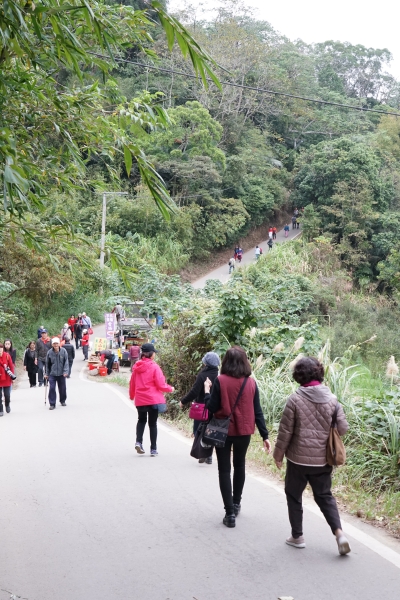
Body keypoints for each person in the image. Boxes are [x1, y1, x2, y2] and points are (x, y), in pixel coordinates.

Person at [273, 356, 350, 555]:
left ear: (299, 375)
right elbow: (342, 428)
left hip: (297, 460)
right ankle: (339, 533)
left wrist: (278, 454)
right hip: (323, 460)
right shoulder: (333, 400)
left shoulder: (295, 399)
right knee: (324, 496)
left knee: (293, 495)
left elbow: (285, 432)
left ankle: (297, 536)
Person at [204, 346, 271, 528]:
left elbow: (210, 407)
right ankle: (236, 502)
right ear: (244, 362)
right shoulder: (251, 383)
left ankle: (229, 514)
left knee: (224, 470)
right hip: (244, 431)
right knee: (240, 465)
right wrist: (265, 435)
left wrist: (207, 392)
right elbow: (258, 411)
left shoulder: (220, 381)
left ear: (226, 361)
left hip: (222, 431)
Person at [129, 343, 174, 456]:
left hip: (140, 399)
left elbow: (132, 383)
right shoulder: (154, 367)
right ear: (151, 354)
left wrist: (131, 396)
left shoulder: (136, 367)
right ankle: (153, 449)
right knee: (152, 424)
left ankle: (138, 442)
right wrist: (170, 389)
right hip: (153, 399)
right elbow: (160, 384)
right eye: (154, 352)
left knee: (141, 420)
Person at [180, 352, 220, 465]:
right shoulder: (219, 376)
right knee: (211, 431)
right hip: (214, 408)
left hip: (201, 408)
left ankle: (202, 453)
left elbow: (194, 392)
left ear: (205, 363)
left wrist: (183, 401)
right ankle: (209, 456)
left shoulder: (202, 375)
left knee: (198, 431)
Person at [45, 338, 69, 410]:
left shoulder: (64, 351)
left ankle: (62, 400)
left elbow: (66, 362)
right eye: (54, 344)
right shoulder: (49, 352)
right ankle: (52, 404)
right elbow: (47, 364)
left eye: (57, 343)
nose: (55, 345)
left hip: (61, 373)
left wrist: (65, 372)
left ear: (59, 344)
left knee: (62, 388)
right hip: (52, 373)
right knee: (52, 388)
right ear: (52, 344)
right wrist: (46, 373)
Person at [0, 343, 15, 415]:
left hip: (6, 378)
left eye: (1, 348)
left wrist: (12, 376)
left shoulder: (7, 356)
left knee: (7, 395)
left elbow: (11, 366)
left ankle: (7, 404)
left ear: (2, 349)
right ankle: (0, 410)